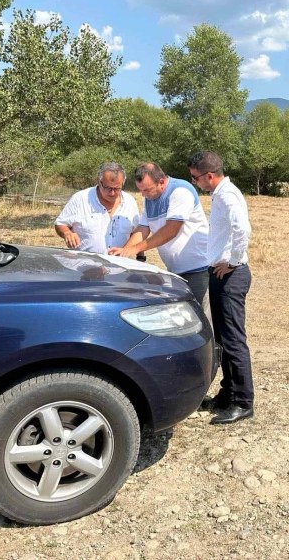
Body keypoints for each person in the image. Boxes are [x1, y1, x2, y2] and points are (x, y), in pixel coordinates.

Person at [188, 151, 254, 425]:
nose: (195, 182)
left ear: (209, 176)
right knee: (224, 340)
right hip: (220, 272)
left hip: (231, 275)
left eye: (195, 178)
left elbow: (243, 229)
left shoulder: (227, 195)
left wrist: (233, 262)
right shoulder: (220, 194)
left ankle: (242, 402)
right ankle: (227, 394)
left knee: (234, 340)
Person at [108, 163, 210, 305]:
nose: (143, 194)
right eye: (140, 190)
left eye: (146, 190)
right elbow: (143, 229)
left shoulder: (180, 191)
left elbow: (171, 230)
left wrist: (135, 249)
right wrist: (124, 252)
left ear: (161, 182)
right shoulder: (149, 198)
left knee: (201, 318)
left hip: (198, 268)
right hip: (176, 271)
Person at [54, 162, 142, 255]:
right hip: (83, 265)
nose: (112, 193)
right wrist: (67, 233)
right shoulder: (80, 198)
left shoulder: (130, 202)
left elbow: (136, 232)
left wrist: (140, 257)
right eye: (108, 188)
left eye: (117, 188)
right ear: (98, 181)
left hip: (119, 266)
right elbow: (60, 224)